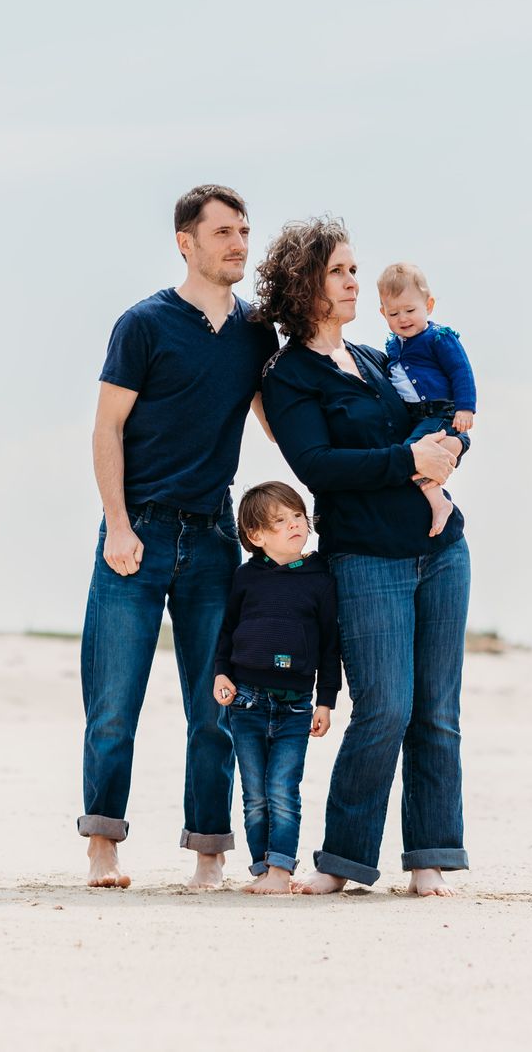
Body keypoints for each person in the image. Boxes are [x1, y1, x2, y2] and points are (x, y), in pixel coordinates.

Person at [254, 217, 473, 898]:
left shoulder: (382, 358)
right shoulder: (289, 376)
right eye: (341, 271)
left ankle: (429, 855)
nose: (356, 281)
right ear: (306, 284)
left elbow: (436, 420)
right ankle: (343, 859)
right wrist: (407, 457)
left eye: (355, 270)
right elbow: (319, 464)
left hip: (441, 551)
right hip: (366, 559)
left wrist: (452, 445)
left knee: (437, 710)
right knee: (384, 708)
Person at [76, 184, 277, 890]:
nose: (238, 243)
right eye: (223, 231)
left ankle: (208, 854)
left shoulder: (258, 334)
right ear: (185, 242)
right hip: (140, 530)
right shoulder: (144, 324)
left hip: (214, 535)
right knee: (113, 703)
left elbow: (275, 419)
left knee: (214, 706)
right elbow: (107, 428)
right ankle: (104, 844)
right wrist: (119, 525)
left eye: (244, 230)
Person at [210, 481, 341, 896]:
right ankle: (263, 868)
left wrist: (326, 701)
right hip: (246, 700)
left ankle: (281, 870)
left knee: (283, 788)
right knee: (254, 794)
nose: (294, 525)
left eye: (298, 516)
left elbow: (329, 645)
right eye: (280, 521)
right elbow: (227, 631)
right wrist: (221, 673)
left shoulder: (320, 578)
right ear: (256, 536)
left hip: (296, 706)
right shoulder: (245, 578)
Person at [376, 262, 478, 536]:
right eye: (394, 313)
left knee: (411, 454)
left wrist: (466, 408)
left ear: (428, 305)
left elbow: (461, 371)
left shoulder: (438, 338)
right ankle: (436, 496)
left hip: (440, 413)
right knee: (411, 453)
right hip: (416, 416)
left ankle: (439, 502)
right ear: (383, 313)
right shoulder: (393, 346)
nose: (403, 318)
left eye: (410, 310)